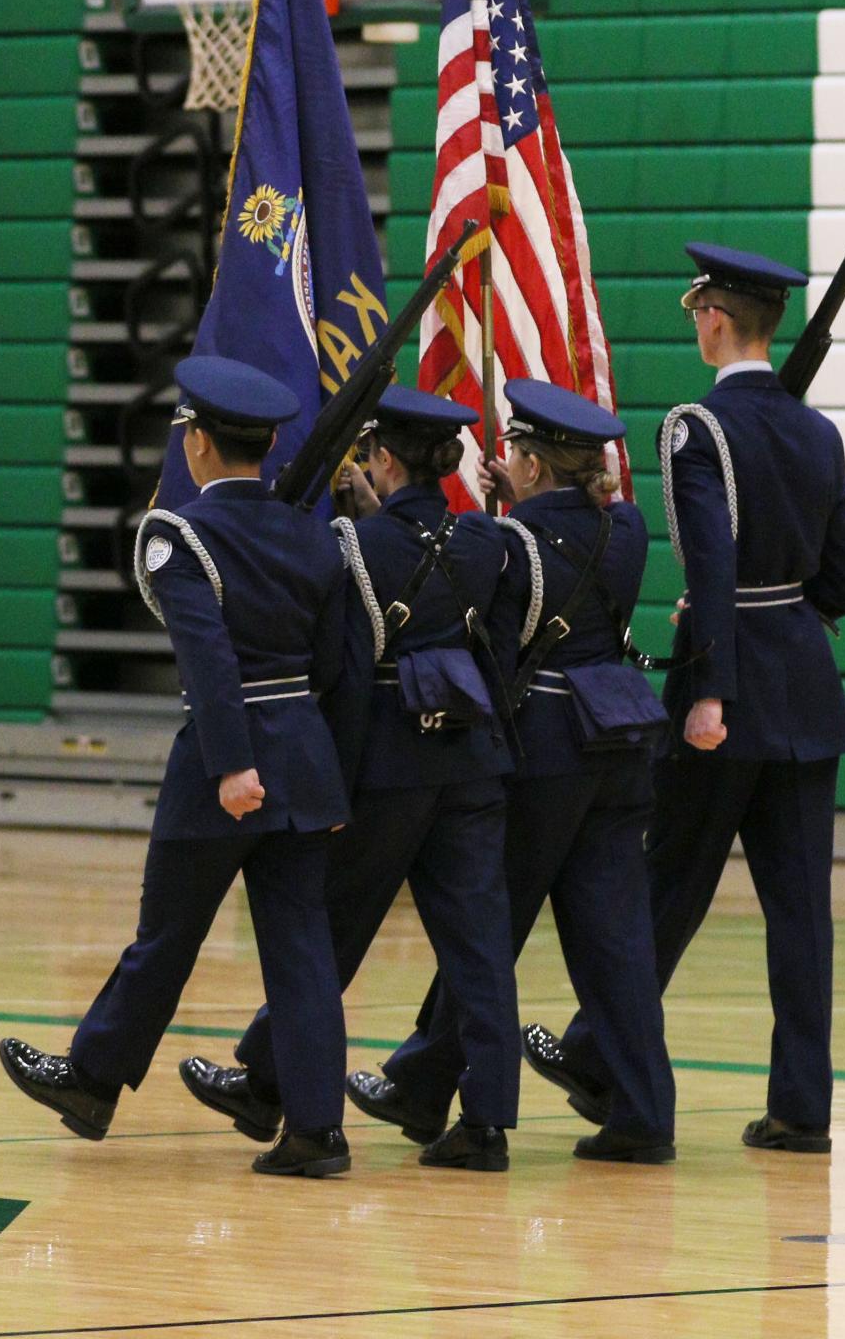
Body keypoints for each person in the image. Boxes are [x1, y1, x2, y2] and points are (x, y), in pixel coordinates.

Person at [524, 244, 845, 1155]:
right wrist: (780, 612)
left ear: (713, 317)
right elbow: (842, 585)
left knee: (664, 883)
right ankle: (800, 1108)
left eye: (696, 311)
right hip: (804, 689)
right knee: (801, 914)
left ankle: (602, 1058)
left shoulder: (693, 429)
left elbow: (710, 563)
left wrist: (707, 685)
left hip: (728, 691)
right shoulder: (819, 432)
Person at [0, 357, 355, 1178]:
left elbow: (209, 659)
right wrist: (319, 764)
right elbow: (332, 664)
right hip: (303, 759)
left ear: (196, 444)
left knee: (165, 938)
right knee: (302, 950)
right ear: (265, 444)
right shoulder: (314, 532)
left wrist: (232, 763)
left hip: (222, 767)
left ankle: (89, 1082)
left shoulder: (180, 534)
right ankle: (314, 1129)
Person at [181, 387, 522, 1172]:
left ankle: (269, 1084)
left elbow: (337, 669)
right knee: (477, 946)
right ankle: (487, 1123)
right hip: (470, 756)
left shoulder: (354, 546)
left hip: (386, 761)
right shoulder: (481, 538)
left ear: (384, 460)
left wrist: (328, 779)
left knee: (325, 936)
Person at [360, 379, 678, 1163]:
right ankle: (642, 1115)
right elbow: (566, 554)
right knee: (616, 940)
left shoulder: (510, 545)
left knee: (483, 932)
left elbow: (497, 646)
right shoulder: (627, 528)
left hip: (544, 751)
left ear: (530, 466)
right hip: (620, 740)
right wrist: (518, 507)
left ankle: (424, 1083)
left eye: (514, 456)